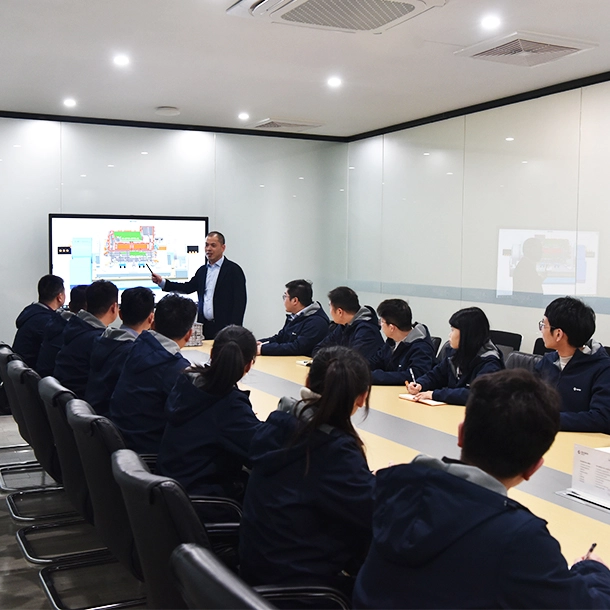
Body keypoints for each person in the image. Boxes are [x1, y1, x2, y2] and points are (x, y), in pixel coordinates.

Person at [353, 369, 610, 609]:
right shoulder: (520, 541)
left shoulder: (391, 487)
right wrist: (594, 571)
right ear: (533, 468)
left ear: (461, 434)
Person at [239, 346, 375, 595]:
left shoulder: (279, 425)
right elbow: (375, 514)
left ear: (307, 381)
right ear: (362, 397)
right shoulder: (335, 452)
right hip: (300, 590)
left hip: (257, 573)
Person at [157, 325, 262, 501]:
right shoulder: (230, 405)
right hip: (202, 501)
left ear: (212, 354)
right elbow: (261, 449)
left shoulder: (187, 382)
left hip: (171, 491)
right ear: (249, 365)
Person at [108, 293, 196, 454]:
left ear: (153, 323)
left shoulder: (136, 346)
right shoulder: (174, 368)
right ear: (189, 334)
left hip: (121, 444)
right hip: (148, 453)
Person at [151, 231, 246, 339]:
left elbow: (239, 303)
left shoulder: (233, 270)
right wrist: (163, 282)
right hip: (205, 327)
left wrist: (235, 330)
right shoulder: (202, 271)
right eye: (206, 245)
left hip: (226, 328)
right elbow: (187, 288)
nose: (208, 249)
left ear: (223, 247)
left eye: (213, 245)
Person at [535, 296, 610, 433]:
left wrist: (548, 420)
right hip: (545, 436)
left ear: (558, 334)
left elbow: (602, 418)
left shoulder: (603, 369)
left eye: (544, 325)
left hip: (581, 442)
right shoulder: (547, 362)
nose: (541, 330)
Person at [406, 306, 503, 405]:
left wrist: (435, 394)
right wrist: (420, 384)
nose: (449, 335)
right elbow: (436, 375)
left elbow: (475, 394)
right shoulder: (454, 353)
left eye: (453, 330)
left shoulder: (490, 362)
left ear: (466, 334)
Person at [85, 287, 155, 417]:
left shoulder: (103, 340)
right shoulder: (134, 353)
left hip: (96, 414)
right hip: (112, 418)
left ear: (120, 314)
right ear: (151, 318)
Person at [53, 280, 118, 397]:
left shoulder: (75, 327)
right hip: (83, 399)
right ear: (114, 307)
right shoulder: (99, 340)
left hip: (69, 398)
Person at [369, 299, 436, 385]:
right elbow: (376, 361)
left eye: (382, 321)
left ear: (392, 328)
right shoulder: (392, 341)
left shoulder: (421, 347)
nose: (380, 324)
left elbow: (415, 376)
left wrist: (375, 376)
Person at [257, 279, 329, 356]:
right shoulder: (295, 316)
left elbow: (297, 347)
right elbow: (280, 338)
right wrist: (260, 343)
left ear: (295, 300)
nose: (284, 300)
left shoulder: (316, 322)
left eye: (285, 296)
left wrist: (263, 349)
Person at [313, 286, 383, 363]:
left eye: (330, 306)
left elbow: (353, 362)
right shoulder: (343, 326)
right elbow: (318, 349)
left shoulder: (366, 331)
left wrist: (330, 358)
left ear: (340, 312)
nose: (330, 311)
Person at [13, 274, 65, 368]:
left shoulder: (32, 312)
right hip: (34, 372)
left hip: (24, 370)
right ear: (60, 297)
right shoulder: (47, 322)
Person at [36, 284, 88, 377]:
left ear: (70, 305)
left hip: (46, 380)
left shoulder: (55, 322)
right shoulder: (79, 335)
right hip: (57, 381)